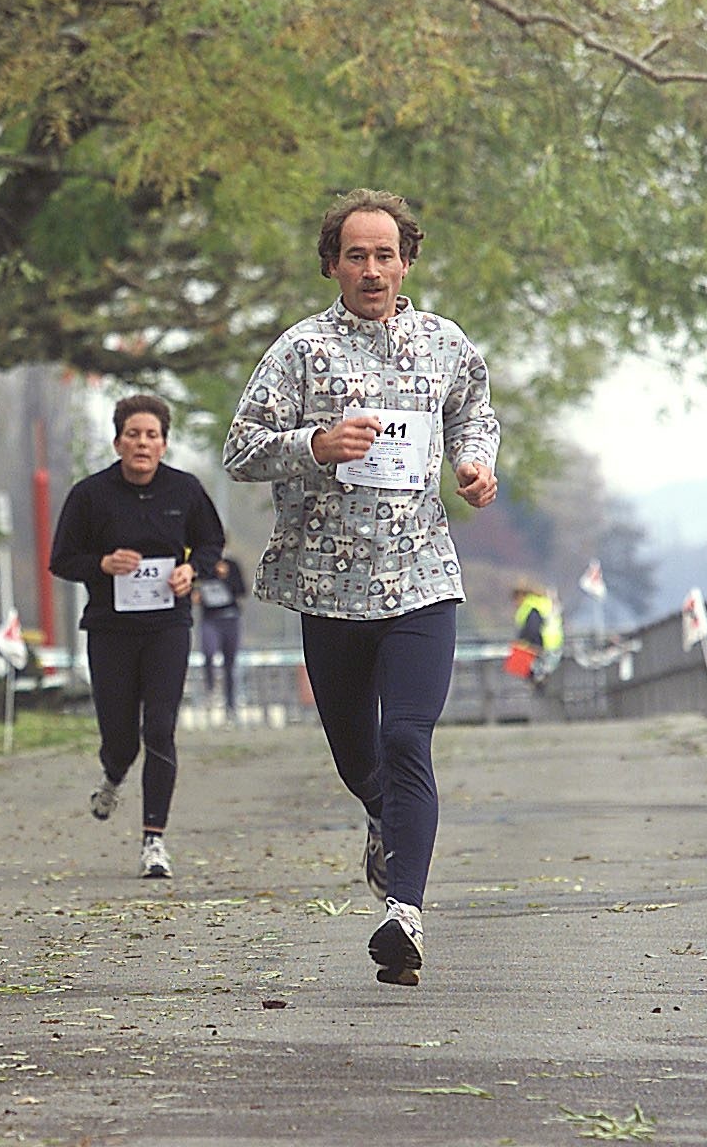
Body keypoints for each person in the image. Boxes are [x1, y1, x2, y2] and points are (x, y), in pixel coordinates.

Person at [222, 189, 499, 986]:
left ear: (407, 261)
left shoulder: (445, 345)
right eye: (356, 255)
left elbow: (474, 415)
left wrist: (474, 464)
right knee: (358, 758)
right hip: (328, 584)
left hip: (420, 577)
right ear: (332, 265)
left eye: (385, 254)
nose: (372, 269)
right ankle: (384, 819)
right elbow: (241, 449)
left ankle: (402, 915)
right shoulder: (300, 352)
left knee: (407, 737)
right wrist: (315, 442)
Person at [50, 394, 226, 879]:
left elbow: (213, 542)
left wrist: (194, 569)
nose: (142, 444)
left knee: (161, 729)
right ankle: (112, 774)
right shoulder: (90, 495)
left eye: (151, 435)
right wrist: (102, 565)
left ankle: (154, 840)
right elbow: (62, 559)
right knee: (122, 737)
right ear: (118, 442)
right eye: (133, 435)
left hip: (168, 625)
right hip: (110, 629)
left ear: (164, 444)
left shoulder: (185, 491)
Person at [194, 549, 248, 722]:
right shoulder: (199, 567)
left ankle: (230, 704)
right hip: (210, 619)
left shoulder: (231, 565)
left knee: (230, 663)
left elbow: (242, 590)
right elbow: (192, 590)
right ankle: (210, 690)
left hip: (230, 617)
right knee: (208, 652)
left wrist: (226, 577)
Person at [509, 578, 563, 684]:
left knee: (535, 676)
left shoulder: (530, 608)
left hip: (543, 647)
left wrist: (525, 644)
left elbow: (533, 629)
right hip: (554, 645)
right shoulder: (541, 603)